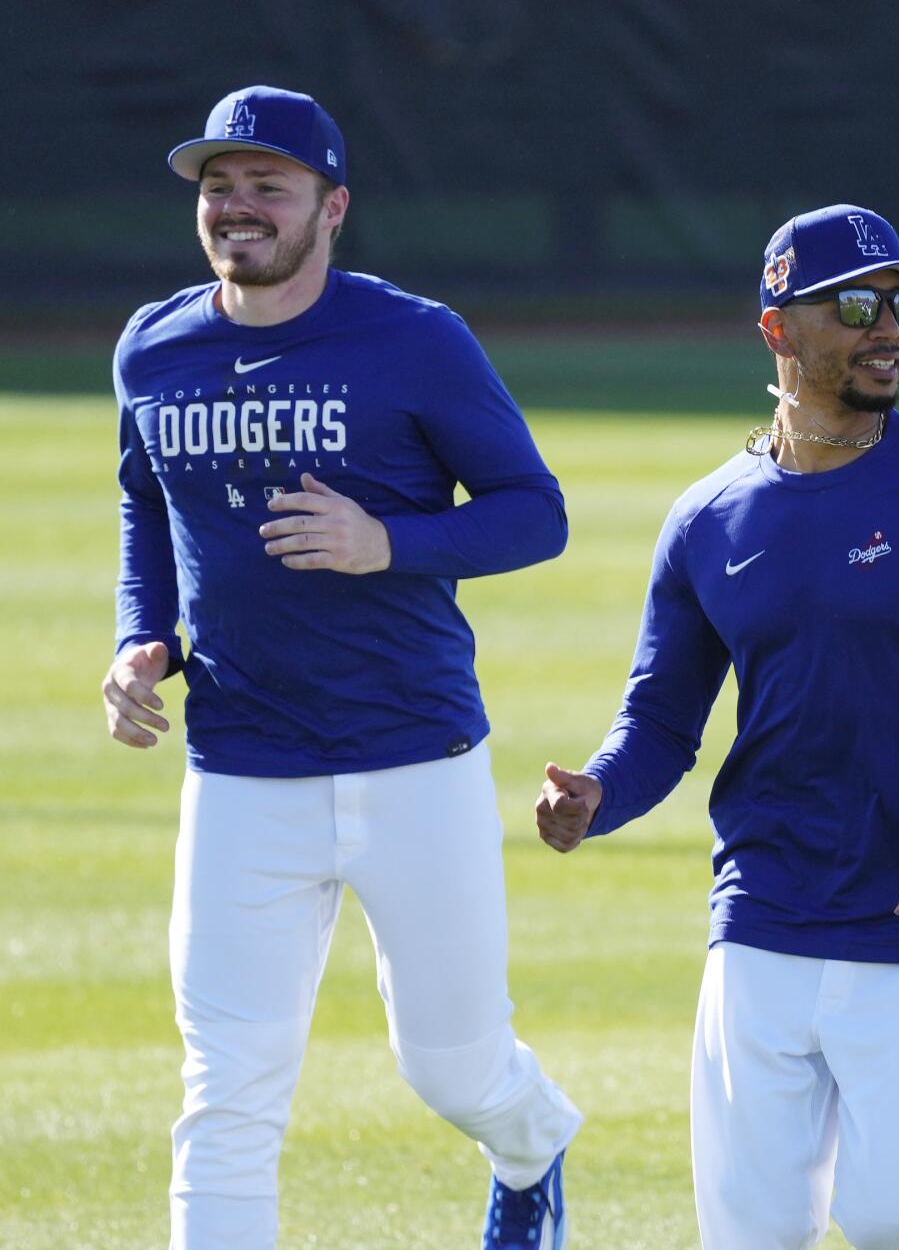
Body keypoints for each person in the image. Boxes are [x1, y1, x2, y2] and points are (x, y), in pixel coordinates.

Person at [534, 203, 899, 1248]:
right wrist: (598, 791)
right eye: (855, 304)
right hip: (759, 921)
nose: (889, 326)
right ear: (778, 329)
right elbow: (661, 717)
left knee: (891, 1224)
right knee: (748, 1237)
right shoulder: (708, 518)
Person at [102, 85, 582, 1250]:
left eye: (269, 185)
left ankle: (532, 1145)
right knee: (225, 1095)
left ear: (333, 206)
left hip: (414, 759)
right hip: (240, 772)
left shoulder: (413, 338)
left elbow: (535, 513)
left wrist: (391, 543)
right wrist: (140, 637)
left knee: (455, 1068)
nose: (237, 207)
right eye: (219, 186)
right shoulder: (154, 345)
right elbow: (144, 508)